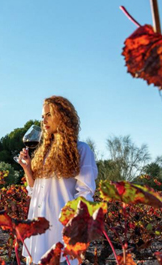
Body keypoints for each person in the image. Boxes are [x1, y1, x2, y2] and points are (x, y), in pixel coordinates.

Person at [18, 96, 98, 265]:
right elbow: (34, 192)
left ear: (63, 116)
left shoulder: (81, 150)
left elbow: (85, 194)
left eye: (49, 114)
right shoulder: (43, 153)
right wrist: (27, 169)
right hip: (36, 234)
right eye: (42, 116)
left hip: (60, 235)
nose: (44, 120)